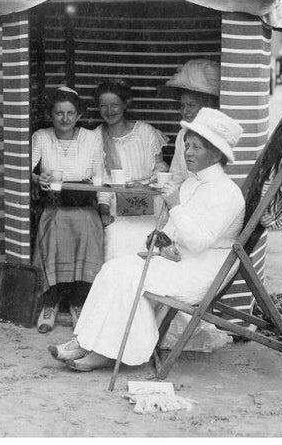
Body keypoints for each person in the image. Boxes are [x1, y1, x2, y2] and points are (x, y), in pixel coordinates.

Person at [48, 108, 246, 371]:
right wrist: (162, 241)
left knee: (129, 280)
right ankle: (84, 342)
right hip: (180, 260)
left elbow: (199, 242)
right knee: (112, 269)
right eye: (187, 145)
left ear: (217, 154)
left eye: (196, 148)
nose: (187, 153)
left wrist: (175, 205)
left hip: (204, 268)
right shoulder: (191, 184)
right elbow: (174, 231)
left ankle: (105, 353)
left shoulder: (226, 193)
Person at [31, 86, 110, 333]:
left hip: (84, 204)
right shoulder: (41, 136)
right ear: (51, 115)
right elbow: (25, 168)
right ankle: (51, 303)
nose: (65, 119)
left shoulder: (91, 138)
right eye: (59, 113)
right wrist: (38, 178)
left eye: (70, 113)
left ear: (79, 115)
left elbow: (100, 176)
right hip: (55, 204)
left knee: (88, 229)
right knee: (52, 231)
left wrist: (104, 207)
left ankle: (78, 303)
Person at [95, 79, 168, 260]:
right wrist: (104, 211)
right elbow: (100, 180)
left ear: (125, 104)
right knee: (116, 240)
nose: (109, 111)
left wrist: (145, 187)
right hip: (116, 208)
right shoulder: (96, 137)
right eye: (103, 106)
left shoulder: (146, 132)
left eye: (115, 105)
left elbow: (160, 170)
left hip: (150, 203)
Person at [160, 59, 221, 182]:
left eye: (191, 105)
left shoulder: (218, 135)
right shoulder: (182, 134)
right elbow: (176, 175)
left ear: (208, 104)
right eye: (182, 105)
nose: (185, 111)